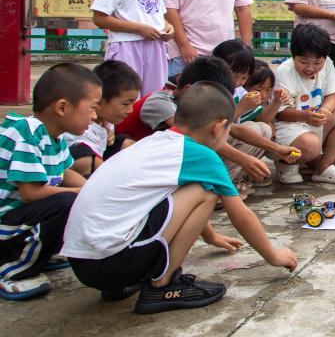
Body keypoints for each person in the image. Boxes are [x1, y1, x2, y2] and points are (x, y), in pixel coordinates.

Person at [62, 82, 297, 313]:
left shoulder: (155, 142)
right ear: (219, 127)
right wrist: (274, 256)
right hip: (113, 261)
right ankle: (163, 284)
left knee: (190, 188)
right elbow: (241, 215)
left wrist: (211, 236)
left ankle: (127, 281)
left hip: (84, 262)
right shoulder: (201, 155)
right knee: (206, 190)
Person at [0, 64, 98, 301]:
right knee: (66, 201)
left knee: (80, 193)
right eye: (92, 108)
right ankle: (10, 269)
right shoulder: (28, 132)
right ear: (62, 107)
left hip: (20, 221)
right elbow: (30, 193)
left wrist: (93, 190)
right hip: (5, 226)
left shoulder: (54, 137)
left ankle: (40, 253)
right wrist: (79, 193)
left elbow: (65, 173)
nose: (95, 116)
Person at [114, 56, 274, 186]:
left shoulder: (195, 105)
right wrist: (243, 159)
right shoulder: (160, 102)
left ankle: (219, 185)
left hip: (160, 161)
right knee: (207, 150)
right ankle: (217, 186)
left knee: (251, 131)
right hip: (134, 165)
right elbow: (197, 137)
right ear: (189, 89)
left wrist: (278, 149)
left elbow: (233, 128)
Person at [273, 24, 335, 186]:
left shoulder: (327, 64)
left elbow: (333, 94)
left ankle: (323, 168)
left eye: (317, 63)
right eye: (303, 62)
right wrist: (305, 116)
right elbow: (281, 113)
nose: (310, 68)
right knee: (311, 145)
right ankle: (286, 163)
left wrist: (326, 109)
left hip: (314, 121)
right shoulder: (284, 71)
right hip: (290, 126)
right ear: (293, 55)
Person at [211, 40, 297, 196]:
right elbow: (212, 132)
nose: (237, 82)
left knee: (263, 129)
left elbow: (251, 123)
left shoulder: (238, 91)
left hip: (222, 143)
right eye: (233, 75)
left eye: (243, 78)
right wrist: (241, 107)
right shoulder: (209, 90)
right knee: (255, 128)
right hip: (207, 147)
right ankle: (220, 187)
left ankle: (230, 182)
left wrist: (278, 149)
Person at [62, 60, 140, 177]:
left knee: (126, 142)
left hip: (98, 155)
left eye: (133, 103)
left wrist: (108, 134)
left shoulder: (105, 120)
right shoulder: (80, 124)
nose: (130, 110)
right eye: (126, 104)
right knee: (87, 158)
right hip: (75, 163)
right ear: (99, 100)